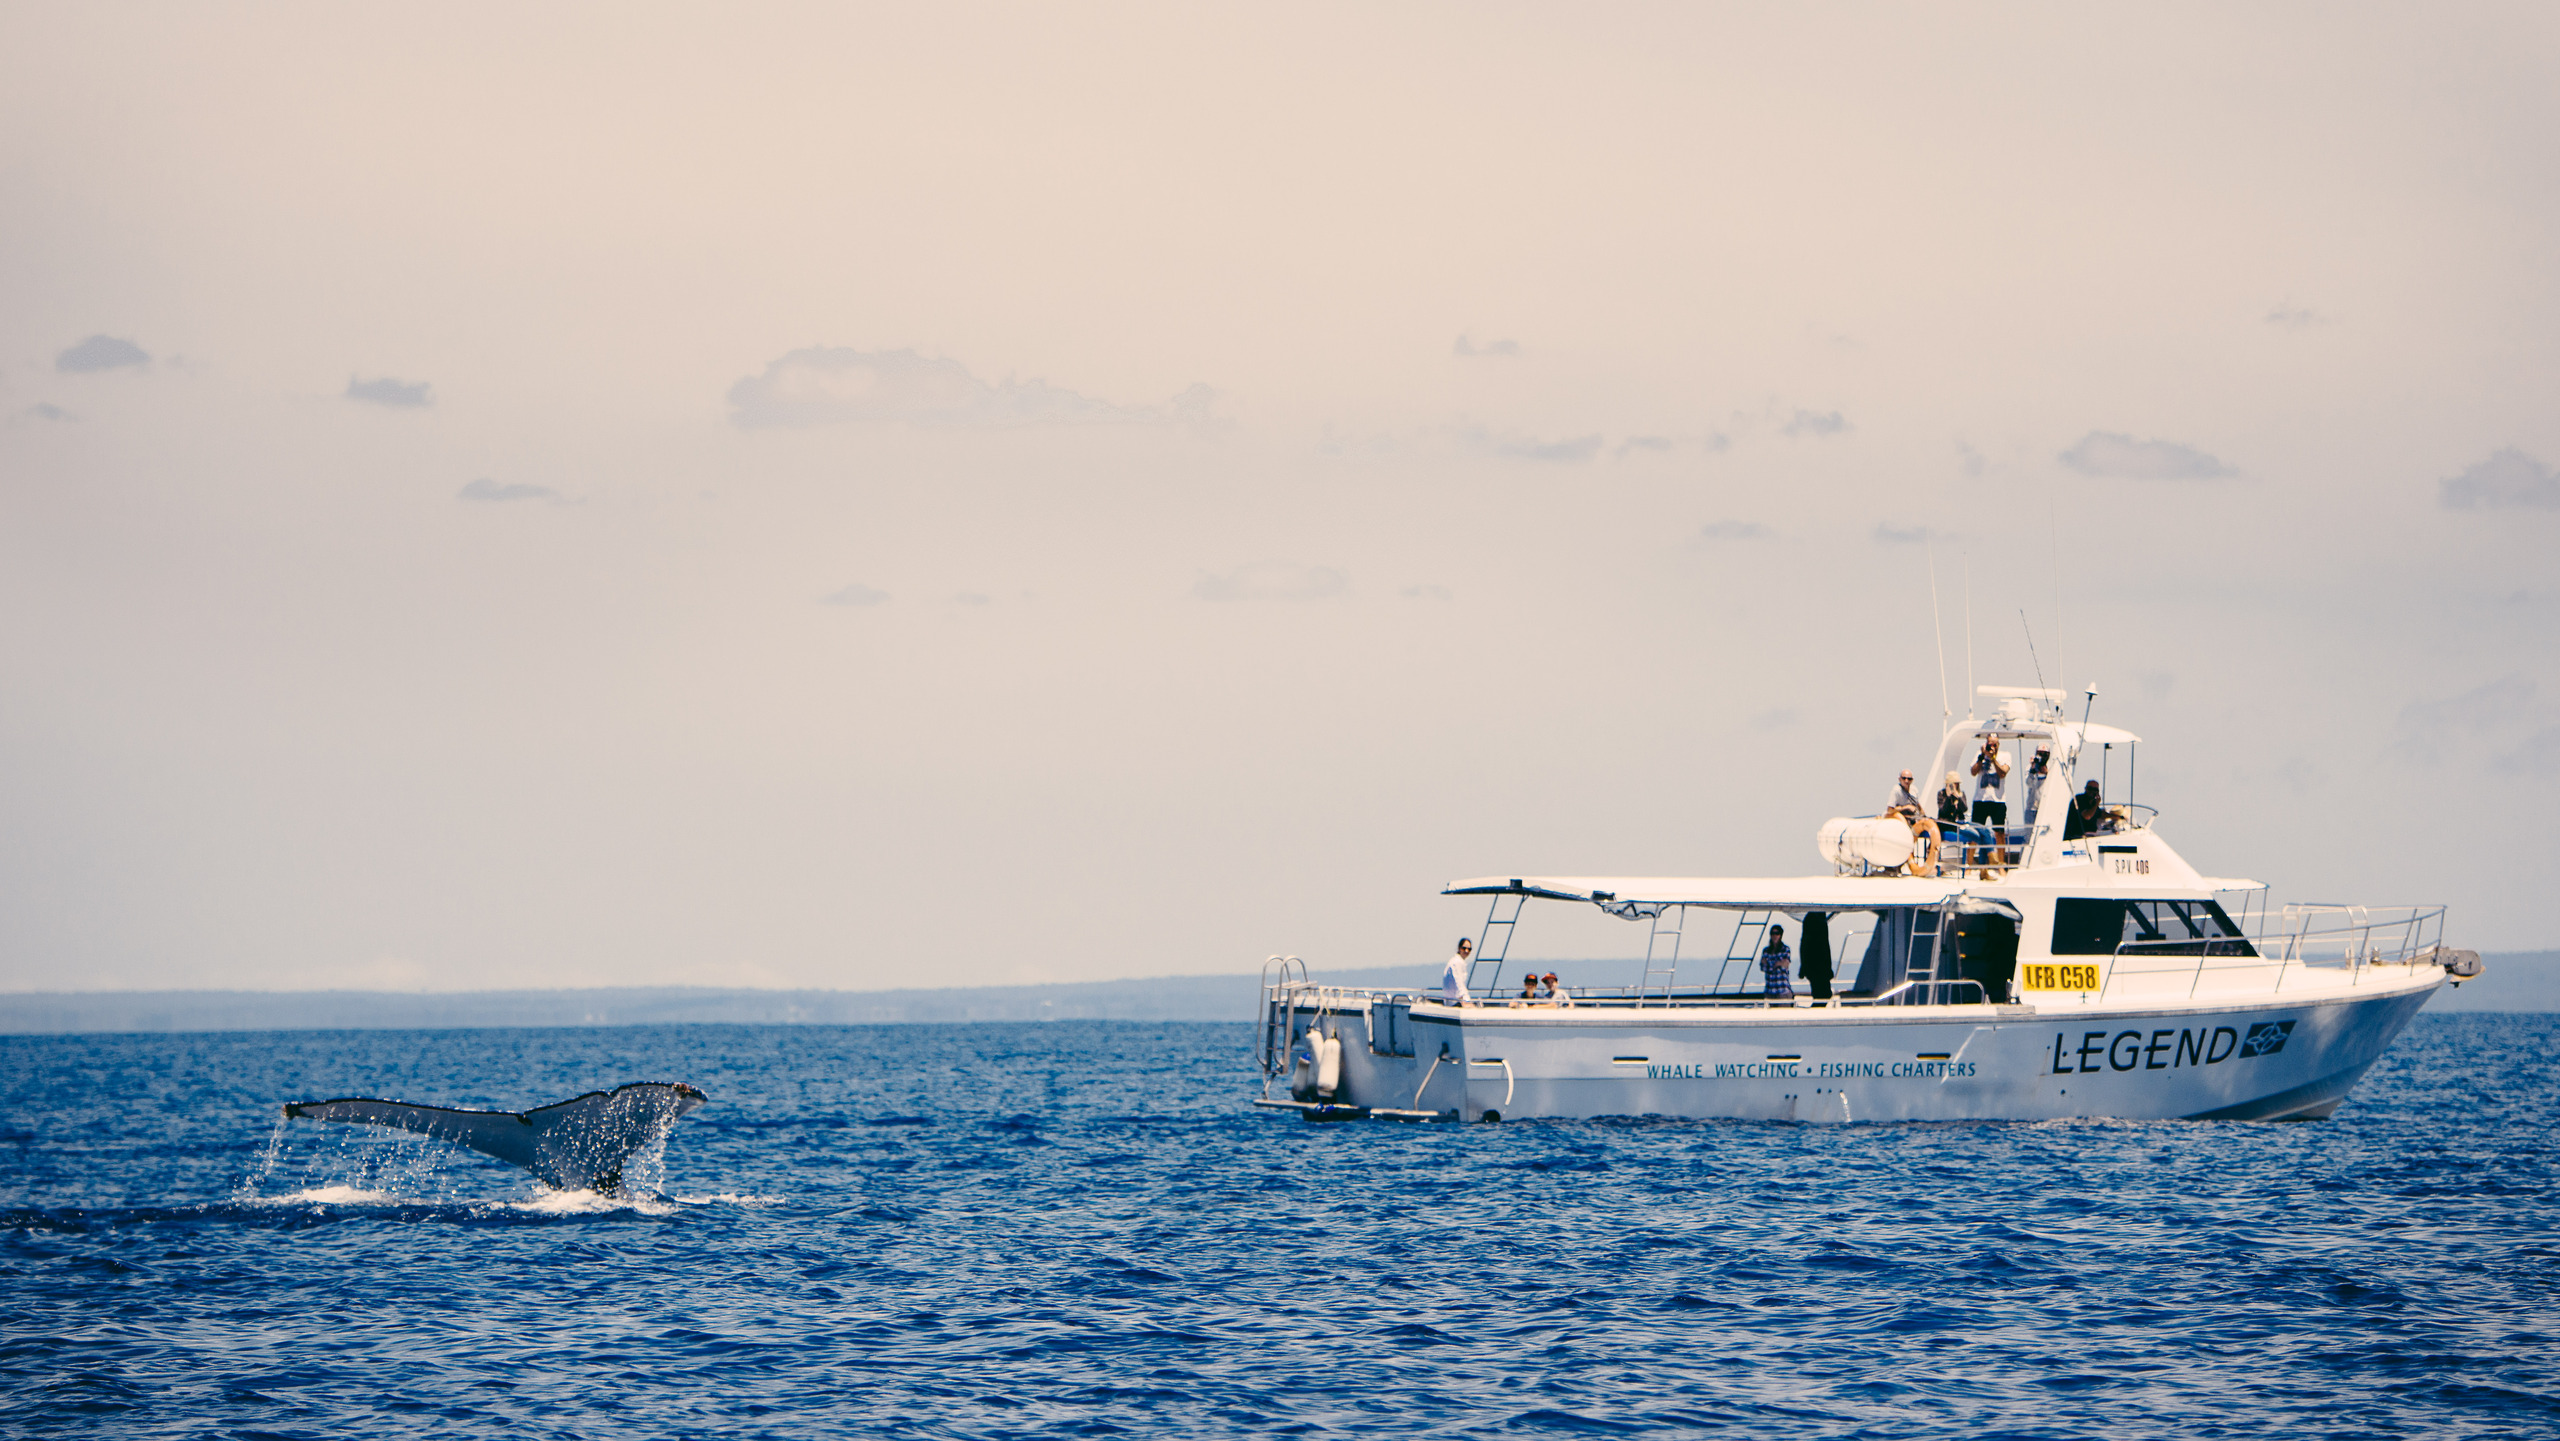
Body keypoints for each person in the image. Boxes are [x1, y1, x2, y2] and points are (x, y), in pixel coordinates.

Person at [1888, 769, 1940, 873]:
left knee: (1935, 827)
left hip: (1913, 819)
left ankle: (1930, 861)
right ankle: (1896, 865)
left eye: (1909, 779)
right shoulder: (1896, 791)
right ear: (1899, 779)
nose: (1906, 781)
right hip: (1902, 820)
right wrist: (1905, 807)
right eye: (1904, 778)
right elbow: (1890, 810)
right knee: (1905, 838)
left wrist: (1923, 814)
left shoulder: (1914, 790)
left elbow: (1918, 804)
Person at [1970, 735, 2012, 863]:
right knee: (1975, 832)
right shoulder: (1980, 755)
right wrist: (1982, 757)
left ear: (1999, 745)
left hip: (1998, 801)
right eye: (1990, 744)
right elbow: (1973, 772)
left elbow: (2003, 773)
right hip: (1980, 800)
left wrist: (1993, 759)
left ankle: (2001, 864)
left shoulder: (2005, 756)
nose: (1992, 747)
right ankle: (1969, 864)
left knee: (1999, 833)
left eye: (1995, 744)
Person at [1799, 913, 1834, 1002]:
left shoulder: (1816, 921)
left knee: (1824, 994)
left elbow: (1825, 947)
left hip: (1819, 966)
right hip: (1815, 966)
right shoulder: (1815, 921)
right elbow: (1824, 947)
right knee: (1823, 994)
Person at [1760, 924, 1795, 1003]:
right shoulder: (1766, 951)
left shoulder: (1785, 949)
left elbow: (1785, 964)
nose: (1774, 936)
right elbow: (1763, 967)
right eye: (1773, 933)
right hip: (1769, 991)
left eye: (1777, 933)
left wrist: (1770, 964)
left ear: (1780, 935)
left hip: (1782, 990)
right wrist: (1778, 963)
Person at [2021, 747, 2052, 832]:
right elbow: (2029, 783)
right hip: (2032, 808)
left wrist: (2046, 772)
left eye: (2044, 754)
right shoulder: (2030, 767)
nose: (2042, 756)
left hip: (2046, 808)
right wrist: (2032, 770)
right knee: (2029, 834)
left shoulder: (2052, 767)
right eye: (2040, 753)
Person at [1441, 938, 1473, 1005]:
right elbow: (1458, 983)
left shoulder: (1457, 961)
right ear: (1459, 948)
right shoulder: (1457, 963)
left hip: (1452, 1001)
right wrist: (1465, 1001)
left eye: (1469, 949)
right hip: (1455, 1002)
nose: (1466, 951)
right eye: (1464, 948)